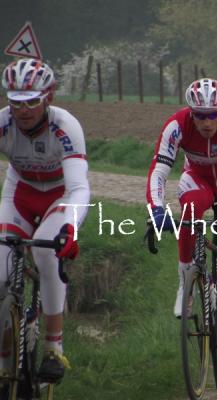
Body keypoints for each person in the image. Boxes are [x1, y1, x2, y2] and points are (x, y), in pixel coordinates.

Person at [146, 78, 217, 374]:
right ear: (190, 112)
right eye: (200, 115)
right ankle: (186, 282)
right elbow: (159, 171)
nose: (207, 121)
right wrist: (156, 211)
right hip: (199, 179)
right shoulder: (176, 125)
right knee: (190, 212)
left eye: (213, 114)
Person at [0, 58, 90, 380]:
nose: (22, 111)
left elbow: (80, 187)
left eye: (31, 102)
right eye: (15, 102)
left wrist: (70, 228)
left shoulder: (65, 126)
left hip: (60, 195)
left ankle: (54, 346)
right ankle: (5, 356)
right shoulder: (3, 123)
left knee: (45, 253)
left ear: (48, 97)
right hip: (19, 194)